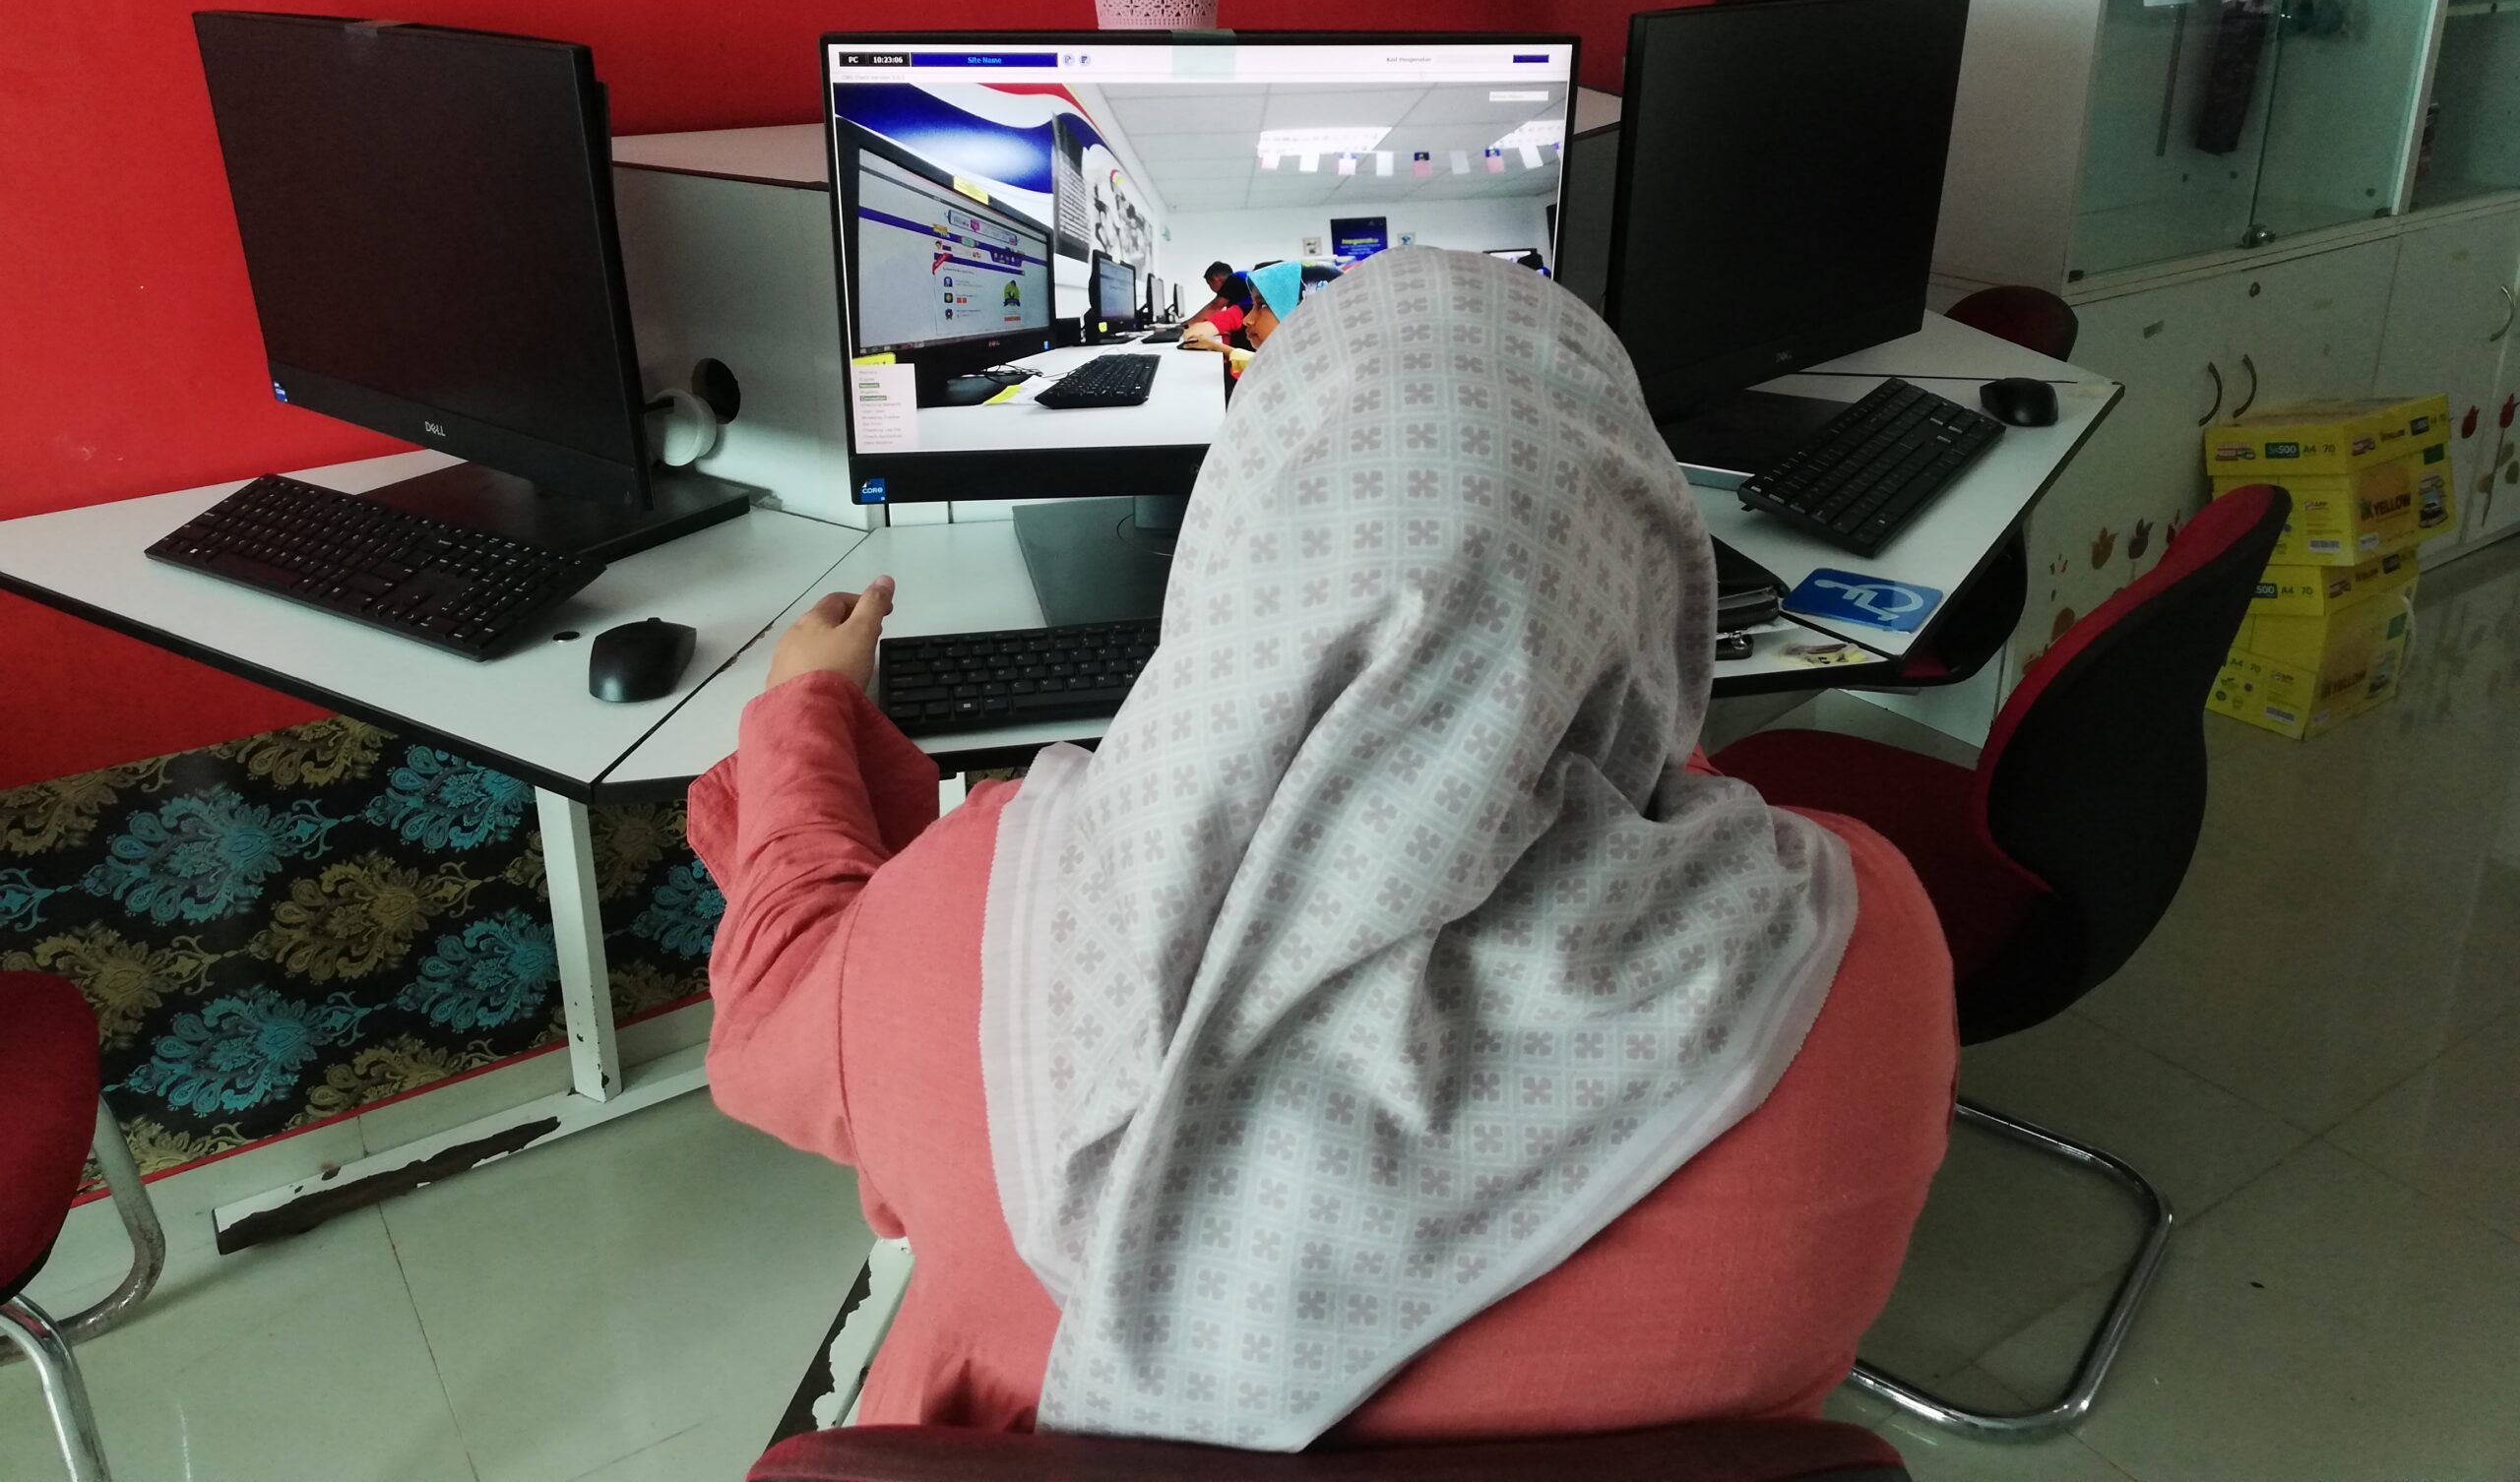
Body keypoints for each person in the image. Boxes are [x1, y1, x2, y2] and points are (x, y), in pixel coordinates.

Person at [691, 250, 1955, 1451]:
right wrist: (1575, 694)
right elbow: (1660, 773)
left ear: (1249, 526)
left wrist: (806, 710)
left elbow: (774, 1018)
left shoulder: (970, 925)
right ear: (1639, 538)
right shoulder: (1853, 954)